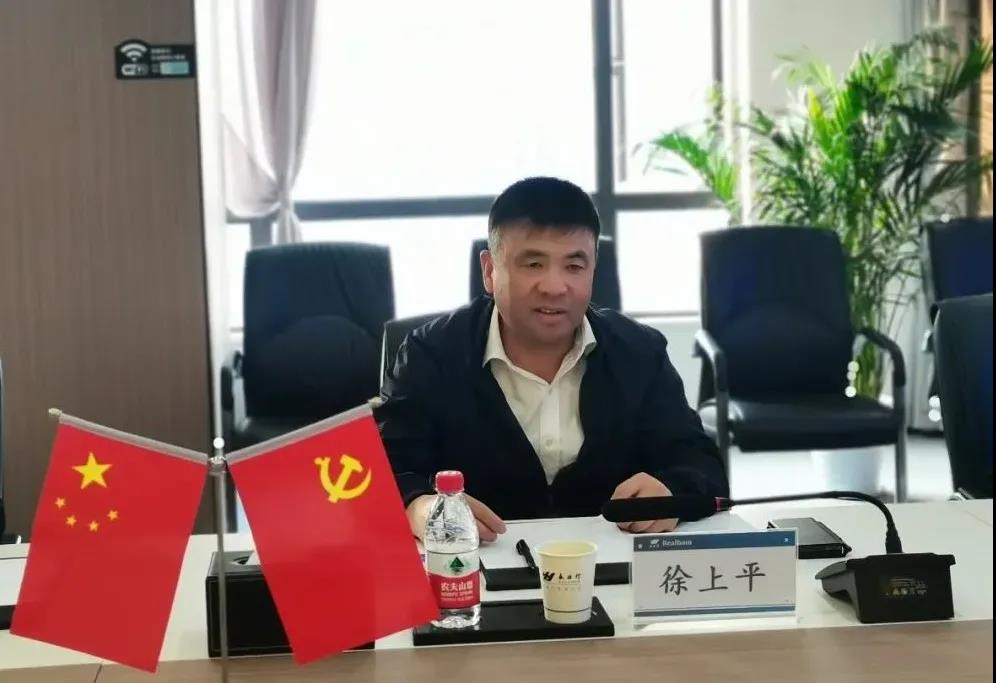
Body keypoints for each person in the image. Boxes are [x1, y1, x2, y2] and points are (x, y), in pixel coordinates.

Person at [377, 177, 727, 541]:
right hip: (474, 564)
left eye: (574, 267)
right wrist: (418, 506)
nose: (554, 287)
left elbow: (701, 465)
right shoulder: (430, 355)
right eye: (533, 264)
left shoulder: (639, 353)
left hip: (611, 565)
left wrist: (672, 490)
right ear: (489, 270)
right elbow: (383, 472)